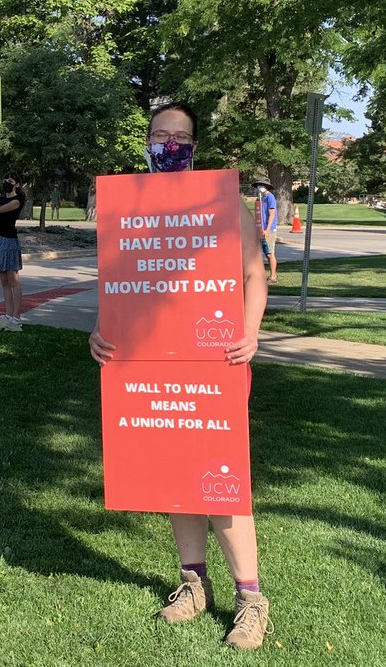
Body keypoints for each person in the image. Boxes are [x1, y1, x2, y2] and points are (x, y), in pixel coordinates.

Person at [89, 103, 272, 650]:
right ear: (146, 139)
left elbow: (253, 274)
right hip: (147, 365)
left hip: (217, 361)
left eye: (181, 136)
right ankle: (194, 583)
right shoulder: (128, 206)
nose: (170, 143)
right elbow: (123, 282)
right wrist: (100, 332)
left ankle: (251, 599)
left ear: (195, 145)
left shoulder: (225, 204)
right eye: (161, 134)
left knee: (222, 477)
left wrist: (253, 331)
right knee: (174, 470)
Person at [0, 172, 26, 332]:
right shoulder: (1, 199)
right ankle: (8, 314)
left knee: (13, 280)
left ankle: (16, 317)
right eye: (5, 180)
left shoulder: (17, 201)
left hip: (9, 241)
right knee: (4, 280)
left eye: (10, 181)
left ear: (17, 184)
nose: (7, 183)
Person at [254, 177, 278, 283]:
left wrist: (268, 229)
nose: (260, 187)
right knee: (266, 253)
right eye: (259, 185)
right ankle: (270, 274)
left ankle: (273, 276)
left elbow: (272, 213)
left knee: (270, 253)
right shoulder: (262, 198)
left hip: (269, 229)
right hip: (262, 229)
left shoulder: (270, 197)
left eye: (262, 185)